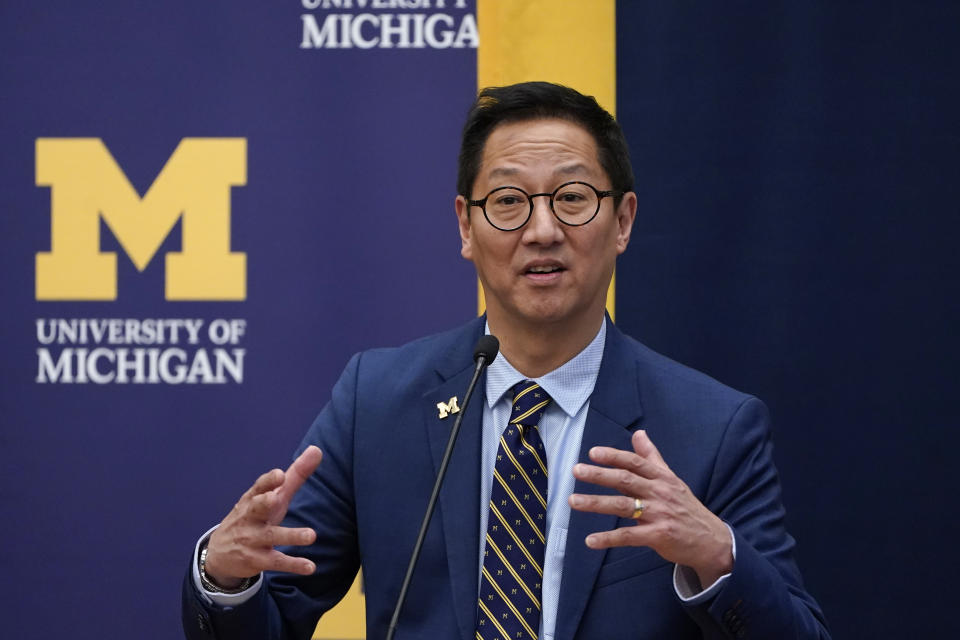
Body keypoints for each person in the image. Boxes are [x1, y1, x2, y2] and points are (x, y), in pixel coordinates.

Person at [182, 82, 831, 640]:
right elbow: (271, 620)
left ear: (624, 219)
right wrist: (224, 576)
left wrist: (717, 558)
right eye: (509, 201)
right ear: (466, 226)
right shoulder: (377, 402)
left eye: (573, 198)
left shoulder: (711, 429)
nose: (542, 230)